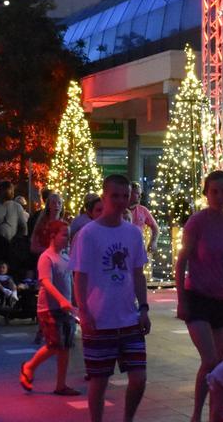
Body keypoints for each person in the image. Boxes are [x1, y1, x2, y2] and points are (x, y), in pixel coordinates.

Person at [71, 175, 151, 422]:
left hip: (129, 317)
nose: (120, 201)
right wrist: (84, 311)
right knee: (99, 380)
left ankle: (128, 418)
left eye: (124, 196)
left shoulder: (133, 234)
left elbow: (137, 273)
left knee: (139, 379)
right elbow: (80, 276)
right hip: (100, 318)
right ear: (104, 197)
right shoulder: (88, 234)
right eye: (114, 196)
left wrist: (144, 307)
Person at [176, 170, 223, 422]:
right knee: (210, 359)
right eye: (215, 191)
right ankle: (197, 413)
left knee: (218, 363)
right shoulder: (197, 222)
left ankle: (216, 412)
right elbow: (182, 260)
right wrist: (181, 299)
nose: (220, 196)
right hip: (198, 296)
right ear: (206, 193)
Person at [21, 220, 81, 396]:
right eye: (64, 235)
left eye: (68, 236)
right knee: (55, 345)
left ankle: (61, 385)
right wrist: (62, 300)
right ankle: (29, 366)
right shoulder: (46, 257)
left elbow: (70, 280)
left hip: (65, 309)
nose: (67, 239)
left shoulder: (65, 257)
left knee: (66, 346)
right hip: (49, 309)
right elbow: (45, 282)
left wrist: (75, 302)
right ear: (53, 236)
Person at [0, 181, 27, 276]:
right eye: (9, 191)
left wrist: (19, 243)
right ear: (1, 191)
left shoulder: (17, 207)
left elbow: (23, 228)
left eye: (12, 191)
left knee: (11, 274)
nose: (12, 193)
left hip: (11, 246)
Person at [127, 182, 161, 256]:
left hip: (138, 248)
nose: (140, 196)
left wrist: (153, 241)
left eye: (140, 193)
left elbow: (155, 228)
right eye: (136, 193)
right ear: (129, 193)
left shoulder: (143, 210)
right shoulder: (120, 209)